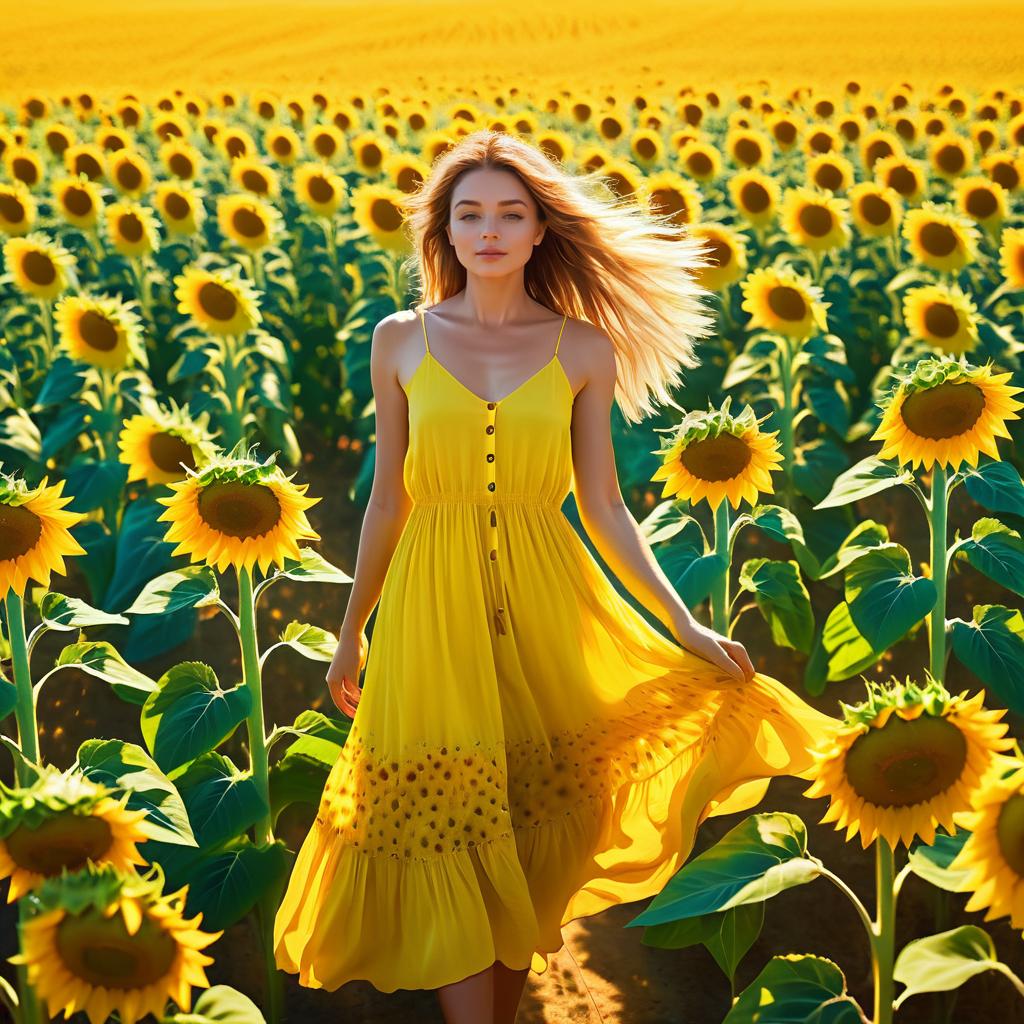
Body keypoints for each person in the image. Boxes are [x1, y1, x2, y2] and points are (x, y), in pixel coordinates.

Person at [274, 129, 836, 1023]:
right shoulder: (398, 341)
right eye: (470, 215)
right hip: (429, 607)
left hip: (549, 596)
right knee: (453, 819)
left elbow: (606, 507)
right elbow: (388, 500)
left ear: (541, 231)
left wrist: (684, 629)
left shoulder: (582, 349)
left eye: (510, 214)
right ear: (445, 233)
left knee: (527, 828)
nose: (489, 231)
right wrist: (353, 628)